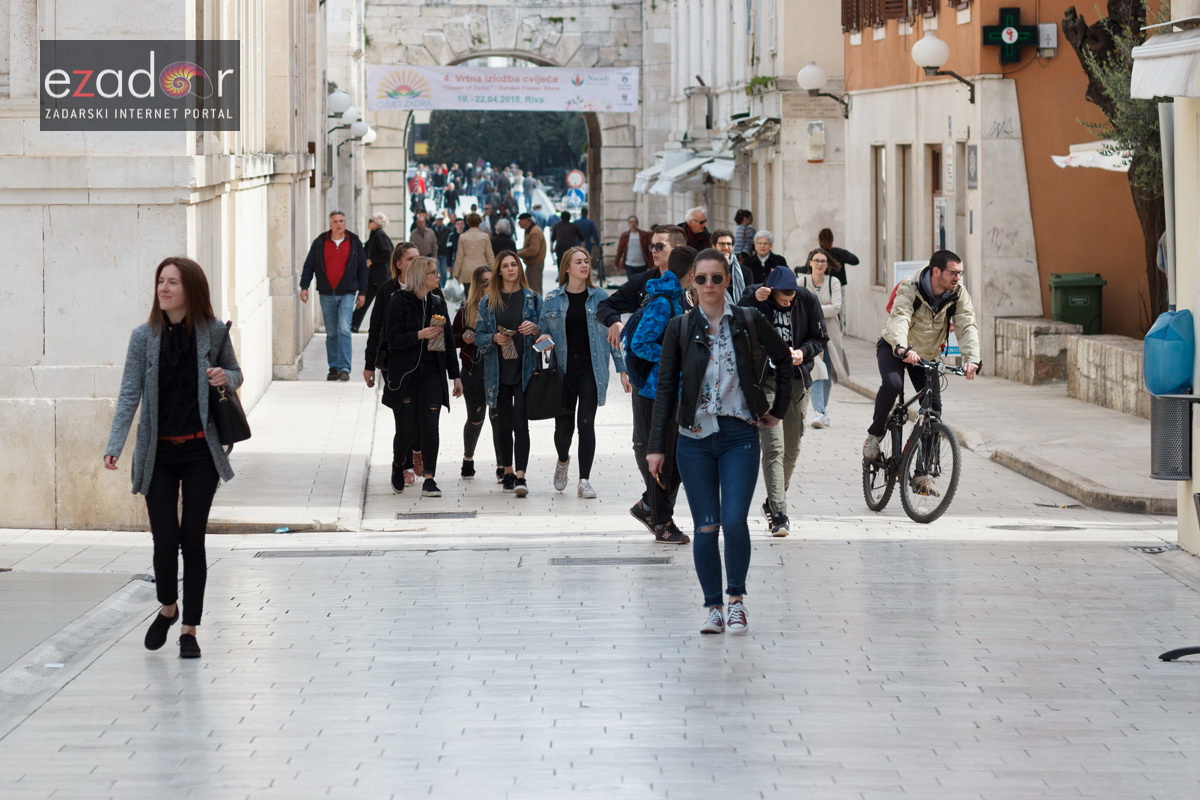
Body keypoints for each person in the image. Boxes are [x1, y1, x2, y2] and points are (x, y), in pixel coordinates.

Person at [104, 256, 243, 660]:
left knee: (192, 540)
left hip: (202, 450)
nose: (163, 289)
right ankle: (168, 606)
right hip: (158, 453)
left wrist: (224, 377)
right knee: (165, 540)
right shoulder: (142, 337)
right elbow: (130, 392)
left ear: (191, 290)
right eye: (160, 282)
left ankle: (189, 631)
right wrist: (115, 443)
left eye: (172, 283)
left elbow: (235, 373)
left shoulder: (214, 332)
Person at [647, 248, 792, 635]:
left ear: (727, 280)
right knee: (706, 526)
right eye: (701, 279)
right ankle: (712, 607)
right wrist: (656, 447)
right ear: (692, 283)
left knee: (734, 521)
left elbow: (784, 361)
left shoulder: (748, 320)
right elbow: (665, 390)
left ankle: (736, 601)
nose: (709, 286)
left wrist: (778, 409)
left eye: (716, 278)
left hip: (739, 434)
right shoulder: (679, 327)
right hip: (692, 439)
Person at [863, 250, 982, 487]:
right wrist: (902, 347)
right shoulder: (910, 287)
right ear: (936, 271)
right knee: (893, 384)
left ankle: (922, 473)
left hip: (925, 356)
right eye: (953, 272)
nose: (958, 277)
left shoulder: (958, 293)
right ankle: (875, 434)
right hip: (895, 348)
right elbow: (900, 318)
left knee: (933, 408)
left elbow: (966, 324)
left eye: (960, 272)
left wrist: (973, 359)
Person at [740, 266, 828, 536]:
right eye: (783, 296)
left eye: (792, 296)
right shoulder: (757, 299)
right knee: (773, 448)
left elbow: (820, 337)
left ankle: (771, 501)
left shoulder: (807, 299)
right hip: (766, 381)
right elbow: (736, 319)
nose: (788, 300)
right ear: (772, 290)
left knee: (792, 449)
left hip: (796, 381)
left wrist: (803, 352)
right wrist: (755, 299)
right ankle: (779, 513)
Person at [537, 247, 631, 499]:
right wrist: (543, 336)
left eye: (586, 261)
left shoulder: (601, 297)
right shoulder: (552, 299)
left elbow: (614, 337)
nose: (584, 265)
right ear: (567, 268)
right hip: (563, 371)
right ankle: (563, 461)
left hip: (591, 369)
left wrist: (623, 370)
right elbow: (542, 330)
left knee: (586, 424)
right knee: (563, 429)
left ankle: (584, 480)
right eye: (578, 262)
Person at [623, 245, 697, 544]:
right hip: (656, 392)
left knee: (679, 459)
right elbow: (640, 343)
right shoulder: (664, 302)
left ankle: (648, 506)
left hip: (672, 389)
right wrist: (673, 358)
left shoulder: (677, 297)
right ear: (691, 272)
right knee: (665, 459)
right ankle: (662, 523)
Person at [384, 255, 462, 498]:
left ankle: (430, 477)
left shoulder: (438, 303)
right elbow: (392, 340)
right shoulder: (398, 303)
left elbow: (448, 342)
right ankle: (399, 465)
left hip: (432, 374)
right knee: (406, 429)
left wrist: (455, 376)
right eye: (433, 273)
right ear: (420, 276)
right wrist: (418, 335)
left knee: (430, 427)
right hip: (406, 376)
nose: (438, 276)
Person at [474, 251, 543, 497]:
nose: (511, 269)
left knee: (521, 423)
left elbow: (546, 333)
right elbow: (479, 337)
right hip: (498, 371)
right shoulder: (488, 301)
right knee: (503, 424)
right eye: (506, 266)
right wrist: (493, 338)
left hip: (525, 370)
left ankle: (522, 476)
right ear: (499, 271)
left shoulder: (532, 299)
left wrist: (535, 329)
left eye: (515, 264)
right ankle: (508, 471)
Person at [364, 241, 419, 490]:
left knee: (420, 416)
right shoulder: (387, 290)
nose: (415, 263)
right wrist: (369, 365)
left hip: (422, 362)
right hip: (395, 363)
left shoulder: (427, 287)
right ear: (399, 264)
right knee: (403, 416)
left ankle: (417, 449)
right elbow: (376, 329)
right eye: (410, 259)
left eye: (418, 258)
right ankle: (404, 463)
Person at [300, 211, 368, 381]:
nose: (339, 224)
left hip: (347, 293)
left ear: (345, 223)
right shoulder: (320, 242)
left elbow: (362, 268)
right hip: (326, 293)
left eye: (342, 221)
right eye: (336, 221)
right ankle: (334, 367)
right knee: (331, 333)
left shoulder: (354, 242)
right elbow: (309, 266)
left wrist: (363, 293)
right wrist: (304, 286)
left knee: (344, 329)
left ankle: (345, 368)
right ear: (330, 224)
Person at [453, 265, 503, 482]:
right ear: (476, 285)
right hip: (473, 371)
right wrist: (463, 337)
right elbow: (450, 339)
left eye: (492, 282)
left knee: (498, 418)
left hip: (498, 370)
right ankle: (468, 459)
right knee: (475, 418)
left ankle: (503, 465)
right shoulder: (466, 309)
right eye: (484, 283)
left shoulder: (503, 307)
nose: (489, 287)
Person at [798, 248, 849, 429]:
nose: (819, 264)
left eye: (823, 261)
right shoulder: (801, 281)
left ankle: (823, 410)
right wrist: (821, 307)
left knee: (827, 370)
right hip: (809, 333)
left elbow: (836, 308)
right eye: (816, 260)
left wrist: (813, 307)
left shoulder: (833, 282)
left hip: (830, 334)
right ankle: (818, 412)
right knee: (816, 369)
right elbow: (798, 307)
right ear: (810, 262)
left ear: (827, 265)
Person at [352, 212, 394, 333]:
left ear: (377, 223)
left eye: (370, 221)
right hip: (373, 277)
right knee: (363, 300)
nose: (368, 223)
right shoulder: (374, 235)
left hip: (381, 277)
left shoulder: (380, 235)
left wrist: (372, 260)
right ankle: (353, 324)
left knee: (385, 304)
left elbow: (387, 252)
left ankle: (388, 327)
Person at [453, 213, 495, 287]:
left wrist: (455, 273)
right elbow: (490, 255)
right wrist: (494, 270)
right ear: (479, 222)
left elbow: (459, 257)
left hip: (467, 271)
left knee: (468, 295)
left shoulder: (462, 237)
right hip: (482, 270)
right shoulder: (485, 236)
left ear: (467, 222)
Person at [710, 228, 751, 304]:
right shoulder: (706, 268)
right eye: (722, 244)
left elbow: (750, 298)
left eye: (729, 244)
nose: (726, 248)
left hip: (739, 312)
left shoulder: (745, 271)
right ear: (714, 246)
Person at [517, 212, 548, 295]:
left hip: (535, 263)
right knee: (531, 286)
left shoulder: (535, 232)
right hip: (531, 263)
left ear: (527, 220)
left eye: (520, 220)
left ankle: (538, 306)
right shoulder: (529, 230)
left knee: (535, 288)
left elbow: (533, 250)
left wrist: (519, 253)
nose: (519, 222)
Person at [614, 215, 652, 283]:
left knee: (641, 283)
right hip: (629, 265)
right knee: (632, 284)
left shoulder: (644, 235)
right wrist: (616, 264)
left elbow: (649, 251)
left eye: (634, 222)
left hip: (642, 265)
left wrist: (652, 263)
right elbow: (619, 251)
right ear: (629, 224)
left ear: (637, 223)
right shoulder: (624, 236)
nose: (633, 224)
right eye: (631, 222)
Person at [434, 213, 453, 287]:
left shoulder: (447, 229)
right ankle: (438, 286)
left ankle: (443, 286)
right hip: (436, 253)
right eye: (438, 220)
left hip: (444, 253)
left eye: (441, 220)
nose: (440, 221)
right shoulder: (432, 229)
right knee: (436, 271)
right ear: (436, 221)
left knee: (444, 271)